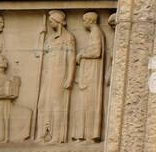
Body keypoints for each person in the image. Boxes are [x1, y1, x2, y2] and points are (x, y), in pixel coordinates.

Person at [33, 10, 75, 143]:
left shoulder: (68, 37)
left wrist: (70, 77)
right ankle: (42, 133)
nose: (50, 24)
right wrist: (41, 34)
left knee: (57, 104)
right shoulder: (50, 38)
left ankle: (56, 135)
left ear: (58, 21)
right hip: (48, 75)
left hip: (59, 75)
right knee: (43, 103)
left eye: (51, 21)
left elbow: (72, 58)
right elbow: (38, 53)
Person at [71, 12, 105, 142]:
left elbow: (96, 52)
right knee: (85, 102)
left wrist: (81, 54)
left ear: (90, 20)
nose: (82, 22)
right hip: (89, 72)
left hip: (91, 74)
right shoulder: (95, 32)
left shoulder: (96, 32)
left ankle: (88, 135)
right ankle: (84, 134)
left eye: (84, 20)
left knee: (88, 102)